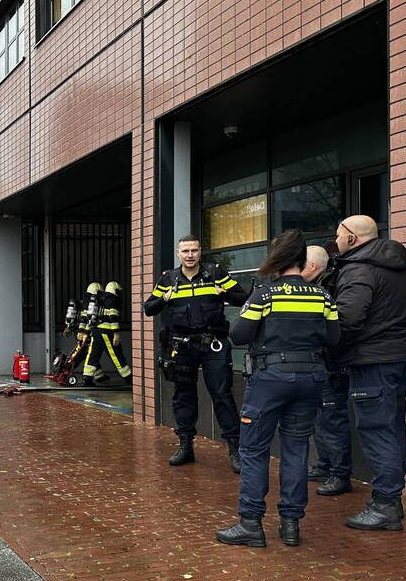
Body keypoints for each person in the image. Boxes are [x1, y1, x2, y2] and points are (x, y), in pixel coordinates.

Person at [215, 230, 340, 548]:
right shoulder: (323, 296)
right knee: (296, 449)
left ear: (277, 259)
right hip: (311, 378)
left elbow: (239, 335)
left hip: (270, 380)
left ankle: (250, 523)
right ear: (302, 260)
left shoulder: (264, 295)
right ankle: (291, 525)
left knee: (254, 450)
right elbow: (334, 339)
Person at [328, 215, 406, 530]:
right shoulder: (403, 267)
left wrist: (331, 352)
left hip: (371, 362)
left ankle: (384, 505)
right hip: (399, 358)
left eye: (339, 235)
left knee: (378, 432)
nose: (336, 241)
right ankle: (390, 501)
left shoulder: (359, 268)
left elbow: (347, 320)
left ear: (352, 238)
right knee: (392, 429)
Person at [144, 235, 249, 472]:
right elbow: (148, 308)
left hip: (213, 344)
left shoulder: (215, 273)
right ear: (178, 254)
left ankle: (235, 449)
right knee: (183, 395)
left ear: (200, 252)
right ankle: (185, 446)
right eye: (185, 251)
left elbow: (242, 297)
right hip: (182, 346)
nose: (190, 255)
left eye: (194, 250)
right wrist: (164, 298)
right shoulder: (168, 279)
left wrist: (223, 293)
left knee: (221, 394)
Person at [301, 245, 353, 496]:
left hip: (330, 364)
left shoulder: (325, 290)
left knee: (332, 420)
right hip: (319, 364)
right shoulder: (321, 285)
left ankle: (340, 474)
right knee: (320, 419)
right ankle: (324, 466)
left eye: (300, 264)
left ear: (312, 267)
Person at [85, 281, 132, 385]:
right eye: (118, 291)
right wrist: (116, 333)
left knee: (93, 355)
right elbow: (113, 317)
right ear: (114, 290)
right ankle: (128, 377)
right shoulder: (112, 300)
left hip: (95, 331)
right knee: (116, 354)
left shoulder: (100, 300)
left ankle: (87, 378)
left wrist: (86, 331)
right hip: (106, 332)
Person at [78, 282, 106, 386]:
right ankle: (88, 378)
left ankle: (98, 376)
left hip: (82, 331)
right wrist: (85, 332)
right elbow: (89, 319)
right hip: (87, 331)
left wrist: (81, 331)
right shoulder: (92, 302)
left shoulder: (85, 301)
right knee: (90, 354)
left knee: (92, 354)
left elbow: (83, 319)